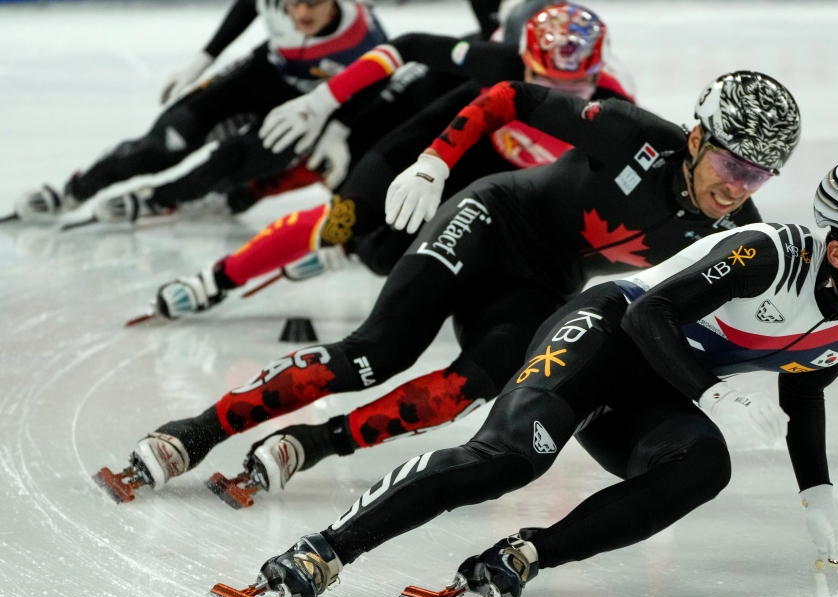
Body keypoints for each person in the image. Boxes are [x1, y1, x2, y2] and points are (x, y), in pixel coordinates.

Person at [243, 153, 838, 597]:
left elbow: (806, 384)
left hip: (658, 388)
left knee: (703, 465)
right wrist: (713, 391)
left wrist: (817, 495)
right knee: (512, 458)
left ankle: (522, 554)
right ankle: (327, 547)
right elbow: (651, 315)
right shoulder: (765, 256)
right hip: (608, 331)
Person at [94, 70, 800, 505]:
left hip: (542, 282)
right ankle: (195, 431)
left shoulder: (737, 233)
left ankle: (315, 444)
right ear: (699, 137)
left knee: (467, 387)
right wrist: (434, 162)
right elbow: (506, 97)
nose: (735, 189)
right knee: (375, 352)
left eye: (757, 177)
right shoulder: (631, 134)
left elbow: (734, 320)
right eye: (732, 165)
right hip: (492, 217)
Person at [148, 3, 632, 321]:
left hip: (498, 175)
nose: (556, 97)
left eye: (574, 87)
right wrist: (323, 101)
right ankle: (218, 278)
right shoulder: (496, 62)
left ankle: (354, 252)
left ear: (598, 73)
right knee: (345, 217)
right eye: (541, 79)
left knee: (385, 258)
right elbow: (408, 46)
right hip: (450, 137)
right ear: (520, 59)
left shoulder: (616, 107)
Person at [13, 0, 387, 223]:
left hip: (304, 107)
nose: (301, 13)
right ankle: (76, 190)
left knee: (230, 161)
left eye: (314, 3)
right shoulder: (277, 3)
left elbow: (379, 79)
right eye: (294, 3)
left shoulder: (362, 36)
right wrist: (201, 61)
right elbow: (246, 7)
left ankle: (158, 200)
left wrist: (338, 131)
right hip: (260, 74)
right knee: (164, 143)